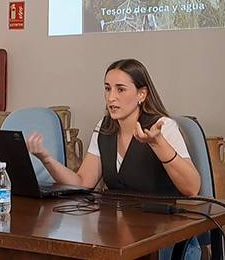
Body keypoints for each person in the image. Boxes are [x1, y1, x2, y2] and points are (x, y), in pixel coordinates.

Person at [26, 58, 202, 259]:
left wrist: (157, 144)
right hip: (120, 236)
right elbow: (82, 183)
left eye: (120, 89)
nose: (111, 98)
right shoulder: (105, 127)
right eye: (108, 89)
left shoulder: (162, 126)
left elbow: (192, 188)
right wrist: (46, 159)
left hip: (166, 238)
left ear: (142, 94)